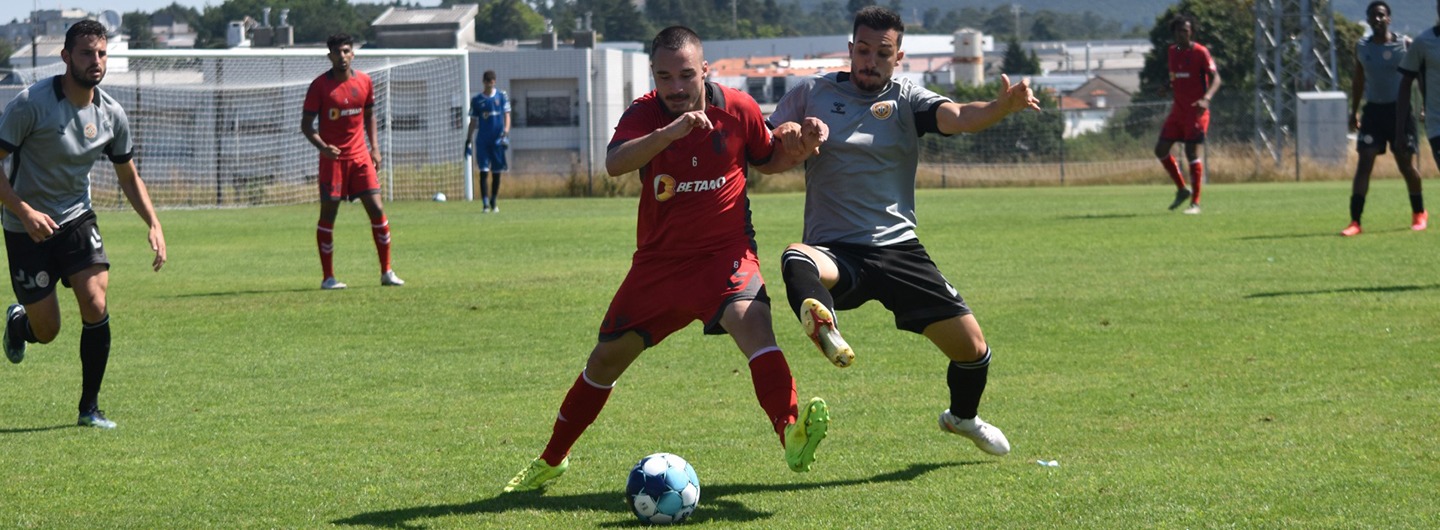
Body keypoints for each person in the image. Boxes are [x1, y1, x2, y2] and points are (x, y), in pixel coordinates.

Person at [503, 25, 831, 493]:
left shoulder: (736, 107)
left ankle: (790, 432)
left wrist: (801, 147)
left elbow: (766, 156)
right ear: (654, 76)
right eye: (664, 77)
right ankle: (551, 459)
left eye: (684, 76)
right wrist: (671, 131)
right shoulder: (645, 113)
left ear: (704, 70)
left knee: (756, 328)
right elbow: (615, 163)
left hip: (726, 257)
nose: (675, 87)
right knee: (602, 363)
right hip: (659, 267)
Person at [767, 6, 1038, 458]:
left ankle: (962, 418)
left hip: (899, 251)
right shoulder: (811, 93)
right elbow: (771, 143)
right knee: (797, 257)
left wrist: (1000, 107)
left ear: (899, 57)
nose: (870, 61)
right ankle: (824, 325)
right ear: (851, 50)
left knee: (972, 350)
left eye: (882, 53)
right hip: (837, 251)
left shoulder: (908, 98)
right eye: (864, 51)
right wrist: (789, 134)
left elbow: (956, 116)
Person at [0, 20, 168, 429]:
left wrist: (153, 222)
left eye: (102, 53)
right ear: (66, 58)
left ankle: (89, 409)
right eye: (86, 53)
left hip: (76, 217)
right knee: (49, 329)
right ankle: (19, 324)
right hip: (25, 226)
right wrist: (24, 211)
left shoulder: (111, 113)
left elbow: (129, 176)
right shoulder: (29, 104)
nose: (96, 61)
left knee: (95, 303)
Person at [301, 33, 403, 290]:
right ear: (330, 56)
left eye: (346, 51)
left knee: (377, 210)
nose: (342, 56)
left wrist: (375, 148)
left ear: (353, 54)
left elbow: (369, 115)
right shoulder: (319, 86)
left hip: (360, 158)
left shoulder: (365, 82)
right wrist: (323, 148)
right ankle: (328, 278)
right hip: (332, 162)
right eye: (337, 52)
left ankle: (387, 272)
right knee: (329, 214)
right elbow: (306, 125)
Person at [1346, 1, 1427, 236]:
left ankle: (1419, 213)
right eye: (1373, 16)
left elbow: (1419, 76)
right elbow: (1358, 80)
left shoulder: (1405, 45)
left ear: (1389, 19)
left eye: (1381, 15)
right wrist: (1354, 112)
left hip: (1399, 112)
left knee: (1405, 165)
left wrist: (1423, 105)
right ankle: (1355, 221)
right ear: (1369, 20)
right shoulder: (1362, 47)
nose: (1377, 19)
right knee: (1364, 164)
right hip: (1373, 112)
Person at [1154, 15, 1221, 215]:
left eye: (1186, 30)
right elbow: (1176, 76)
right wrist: (1166, 86)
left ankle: (1196, 204)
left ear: (1192, 32)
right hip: (1178, 111)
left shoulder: (1200, 52)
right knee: (1160, 150)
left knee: (1192, 153)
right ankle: (1182, 189)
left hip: (1196, 111)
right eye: (1179, 30)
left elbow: (1217, 79)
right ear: (1173, 33)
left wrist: (1206, 98)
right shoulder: (1172, 52)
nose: (1182, 33)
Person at [465, 70, 510, 213]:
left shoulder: (502, 96)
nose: (490, 84)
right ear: (484, 82)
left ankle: (494, 200)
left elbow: (507, 116)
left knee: (497, 172)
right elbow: (473, 122)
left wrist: (506, 132)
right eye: (488, 81)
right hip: (483, 141)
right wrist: (468, 139)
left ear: (494, 82)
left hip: (497, 141)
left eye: (492, 81)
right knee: (483, 171)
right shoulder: (477, 100)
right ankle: (485, 203)